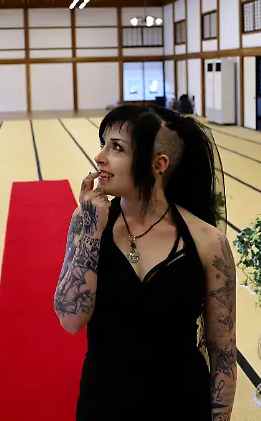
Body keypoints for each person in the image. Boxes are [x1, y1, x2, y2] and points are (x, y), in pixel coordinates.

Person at [53, 104, 236, 421]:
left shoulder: (208, 243)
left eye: (117, 147)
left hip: (182, 404)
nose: (100, 157)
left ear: (158, 164)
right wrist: (91, 232)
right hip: (104, 403)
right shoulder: (88, 223)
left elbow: (223, 354)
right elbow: (70, 320)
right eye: (103, 144)